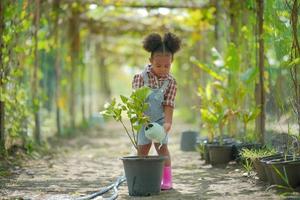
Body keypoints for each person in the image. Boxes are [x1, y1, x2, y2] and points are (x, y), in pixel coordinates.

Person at [132, 32, 181, 190]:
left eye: (167, 66)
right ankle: (141, 178)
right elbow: (137, 100)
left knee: (162, 148)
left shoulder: (171, 82)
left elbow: (168, 104)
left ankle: (166, 180)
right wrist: (140, 116)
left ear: (172, 62)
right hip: (143, 120)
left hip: (159, 121)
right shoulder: (140, 78)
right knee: (143, 148)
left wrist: (168, 122)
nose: (162, 69)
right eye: (158, 65)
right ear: (150, 61)